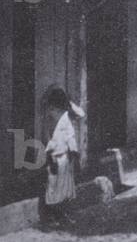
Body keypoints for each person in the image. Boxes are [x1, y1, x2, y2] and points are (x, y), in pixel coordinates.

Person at [41, 88, 82, 228]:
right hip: (54, 157)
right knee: (53, 187)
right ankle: (50, 218)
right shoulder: (50, 118)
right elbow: (47, 138)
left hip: (66, 156)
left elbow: (81, 114)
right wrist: (50, 157)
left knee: (64, 189)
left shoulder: (66, 116)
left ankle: (62, 215)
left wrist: (74, 155)